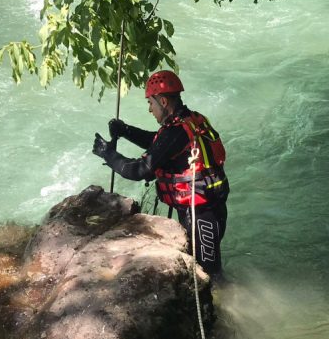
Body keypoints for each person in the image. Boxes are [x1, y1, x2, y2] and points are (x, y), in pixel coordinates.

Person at [92, 70, 229, 276]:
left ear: (163, 102)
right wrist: (125, 130)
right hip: (209, 206)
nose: (149, 109)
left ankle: (221, 304)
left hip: (200, 214)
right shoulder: (190, 120)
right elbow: (159, 142)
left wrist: (108, 154)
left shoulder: (177, 132)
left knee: (210, 274)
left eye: (151, 103)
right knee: (204, 269)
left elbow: (139, 170)